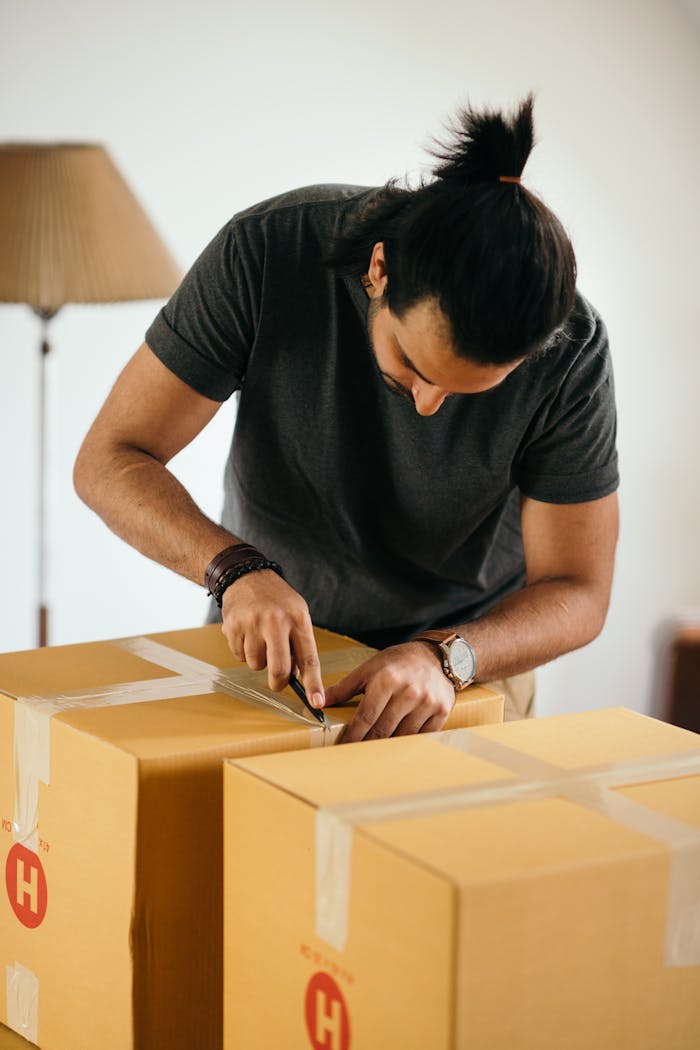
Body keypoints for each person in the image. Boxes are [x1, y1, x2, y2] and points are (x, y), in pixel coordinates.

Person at [74, 95, 619, 741]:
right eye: (414, 365)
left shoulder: (573, 348)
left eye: (467, 391)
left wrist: (447, 658)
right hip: (271, 648)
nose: (425, 406)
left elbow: (578, 590)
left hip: (464, 667)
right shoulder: (268, 252)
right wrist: (234, 570)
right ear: (379, 269)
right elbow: (110, 459)